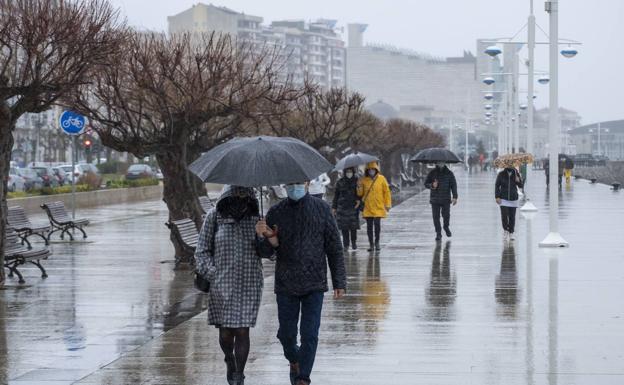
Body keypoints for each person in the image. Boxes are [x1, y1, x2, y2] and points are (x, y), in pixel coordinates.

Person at [256, 181, 346, 385]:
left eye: (298, 183)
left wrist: (339, 281)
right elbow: (266, 253)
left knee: (310, 334)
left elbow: (334, 247)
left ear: (306, 184)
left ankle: (303, 377)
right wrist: (265, 236)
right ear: (285, 186)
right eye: (290, 183)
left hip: (314, 282)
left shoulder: (322, 209)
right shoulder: (276, 211)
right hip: (286, 282)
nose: (294, 187)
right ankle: (294, 359)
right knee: (286, 334)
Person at [194, 185, 265, 385]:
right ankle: (229, 359)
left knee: (242, 330)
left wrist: (264, 236)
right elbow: (202, 251)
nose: (240, 196)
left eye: (244, 193)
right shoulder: (214, 217)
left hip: (249, 282)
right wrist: (213, 274)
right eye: (236, 192)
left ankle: (238, 375)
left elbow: (271, 253)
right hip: (221, 283)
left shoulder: (257, 218)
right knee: (226, 333)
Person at [357, 162, 392, 252]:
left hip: (378, 206)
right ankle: (371, 244)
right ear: (367, 171)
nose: (371, 171)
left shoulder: (382, 179)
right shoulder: (364, 180)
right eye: (369, 170)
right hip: (368, 207)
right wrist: (359, 186)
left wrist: (387, 204)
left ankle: (377, 242)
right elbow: (360, 194)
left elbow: (386, 192)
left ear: (376, 170)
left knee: (377, 225)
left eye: (373, 169)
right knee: (369, 227)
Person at [424, 162, 458, 241]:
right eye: (439, 162)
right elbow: (426, 183)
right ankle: (438, 233)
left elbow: (454, 185)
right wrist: (432, 185)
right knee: (436, 217)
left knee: (446, 215)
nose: (440, 163)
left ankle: (446, 227)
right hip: (435, 199)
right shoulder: (432, 173)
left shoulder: (449, 173)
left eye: (442, 162)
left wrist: (455, 196)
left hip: (446, 199)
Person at [332, 167, 360, 252]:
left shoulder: (357, 181)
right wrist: (334, 207)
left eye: (350, 172)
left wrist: (359, 201)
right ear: (344, 172)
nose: (349, 173)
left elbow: (361, 193)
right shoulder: (340, 182)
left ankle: (354, 242)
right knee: (344, 227)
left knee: (353, 226)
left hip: (353, 206)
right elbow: (336, 196)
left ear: (353, 172)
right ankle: (346, 244)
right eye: (347, 172)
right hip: (342, 207)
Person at [495, 165, 524, 241]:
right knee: (504, 216)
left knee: (512, 217)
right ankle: (505, 230)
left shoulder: (516, 173)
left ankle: (511, 232)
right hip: (503, 198)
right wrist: (497, 196)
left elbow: (521, 185)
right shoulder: (501, 174)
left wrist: (519, 180)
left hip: (513, 198)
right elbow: (497, 185)